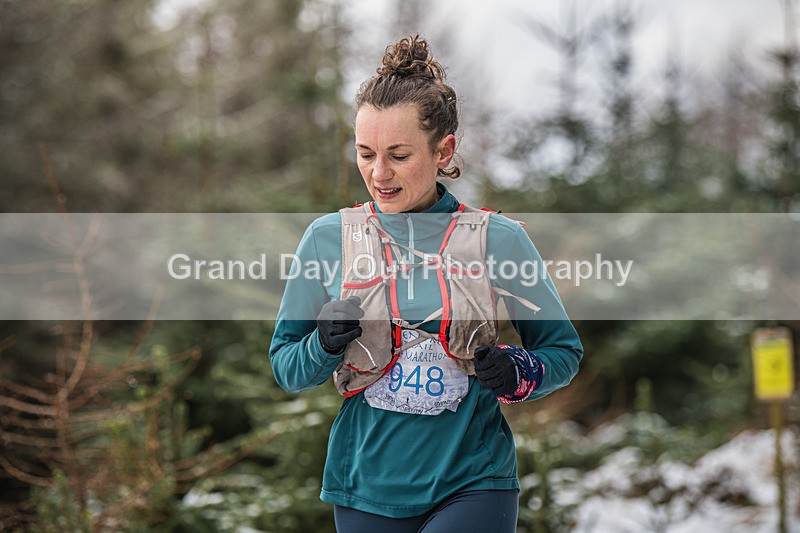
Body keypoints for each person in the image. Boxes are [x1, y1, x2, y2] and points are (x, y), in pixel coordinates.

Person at [269, 35, 582, 533]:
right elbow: (286, 367)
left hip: (473, 481)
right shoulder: (329, 238)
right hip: (365, 485)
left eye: (398, 154)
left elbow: (563, 352)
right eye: (365, 153)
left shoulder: (497, 240)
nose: (379, 173)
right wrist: (322, 346)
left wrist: (519, 371)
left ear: (444, 150)